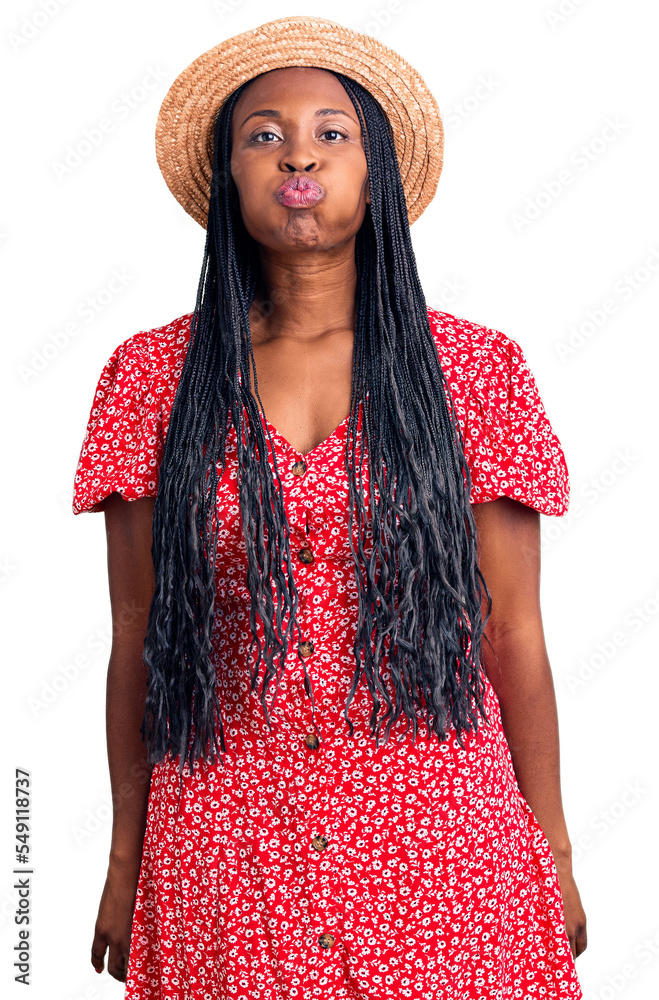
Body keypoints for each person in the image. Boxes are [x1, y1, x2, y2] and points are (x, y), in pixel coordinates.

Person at [72, 15, 587, 999]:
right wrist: (124, 860)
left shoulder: (473, 372)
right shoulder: (149, 378)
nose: (297, 151)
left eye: (330, 132)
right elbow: (135, 631)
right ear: (227, 175)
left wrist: (552, 846)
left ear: (374, 173)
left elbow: (510, 628)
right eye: (262, 134)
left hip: (439, 855)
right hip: (226, 860)